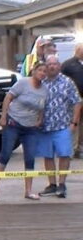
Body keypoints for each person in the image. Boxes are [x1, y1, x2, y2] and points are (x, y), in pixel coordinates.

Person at [0, 62, 48, 201]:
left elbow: (42, 106)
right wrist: (3, 116)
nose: (42, 73)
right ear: (34, 71)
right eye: (40, 70)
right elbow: (8, 97)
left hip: (31, 128)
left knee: (30, 158)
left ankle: (28, 191)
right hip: (13, 123)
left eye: (44, 71)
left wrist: (40, 118)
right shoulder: (23, 83)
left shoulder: (45, 89)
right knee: (6, 154)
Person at [37, 54, 82, 198]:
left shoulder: (67, 82)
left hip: (63, 126)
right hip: (45, 127)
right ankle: (52, 184)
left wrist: (74, 122)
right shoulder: (41, 82)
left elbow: (77, 102)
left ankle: (62, 184)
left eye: (54, 64)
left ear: (59, 65)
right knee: (48, 156)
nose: (52, 66)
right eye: (49, 64)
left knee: (64, 155)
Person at [61, 43, 83, 157]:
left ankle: (80, 148)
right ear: (78, 50)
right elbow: (61, 79)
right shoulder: (68, 64)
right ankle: (71, 149)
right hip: (74, 100)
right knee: (74, 122)